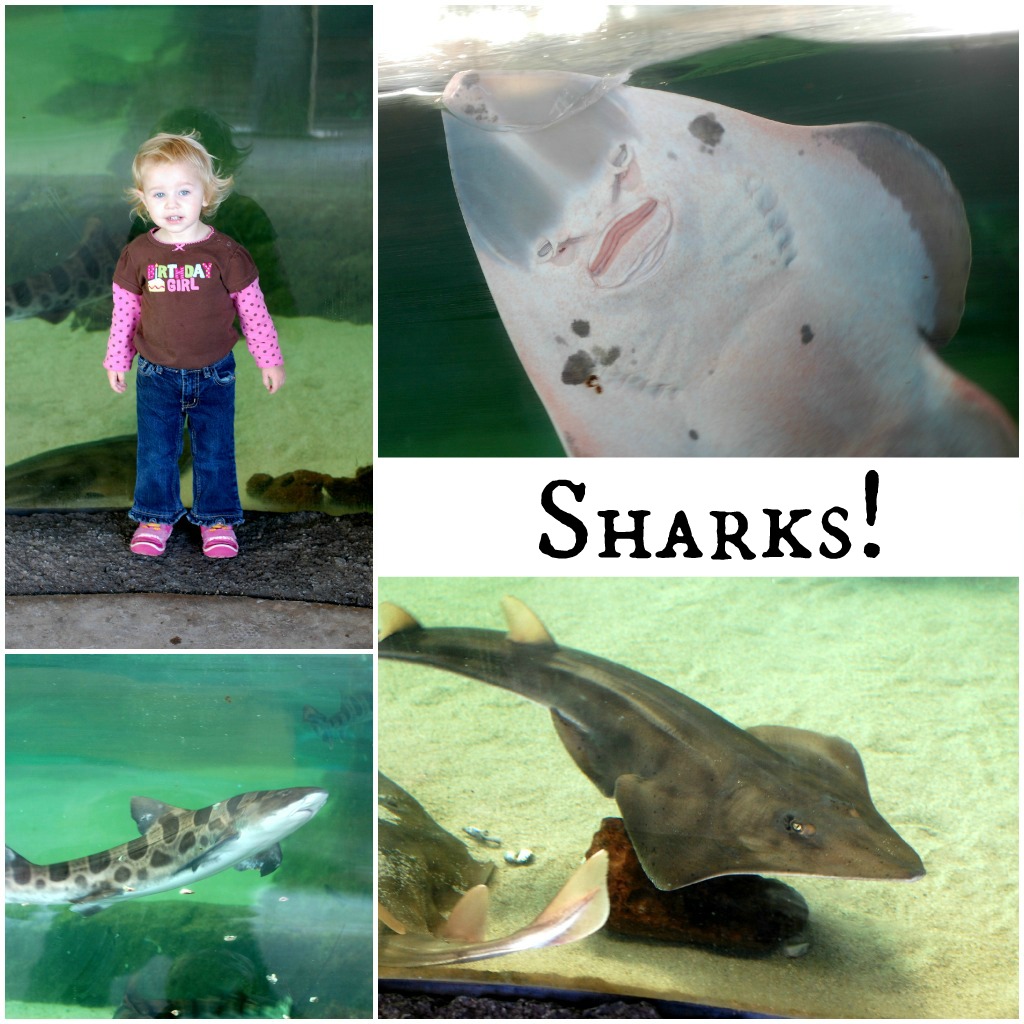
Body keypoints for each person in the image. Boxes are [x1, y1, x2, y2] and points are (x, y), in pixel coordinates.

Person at [103, 132, 285, 558]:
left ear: (206, 194)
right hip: (155, 372)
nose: (172, 203)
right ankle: (155, 515)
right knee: (156, 450)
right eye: (159, 193)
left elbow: (254, 311)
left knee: (214, 449)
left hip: (215, 372)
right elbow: (124, 311)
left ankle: (217, 520)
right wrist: (117, 358)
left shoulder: (227, 253)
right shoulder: (137, 254)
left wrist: (268, 360)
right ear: (143, 199)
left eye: (184, 191)